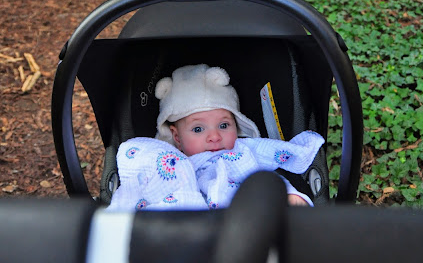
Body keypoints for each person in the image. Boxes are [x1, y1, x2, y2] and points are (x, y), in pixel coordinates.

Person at [108, 64, 324, 212]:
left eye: (223, 125)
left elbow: (270, 176)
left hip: (245, 219)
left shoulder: (245, 150)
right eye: (198, 129)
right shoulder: (169, 161)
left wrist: (291, 194)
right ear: (177, 137)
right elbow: (145, 182)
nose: (214, 136)